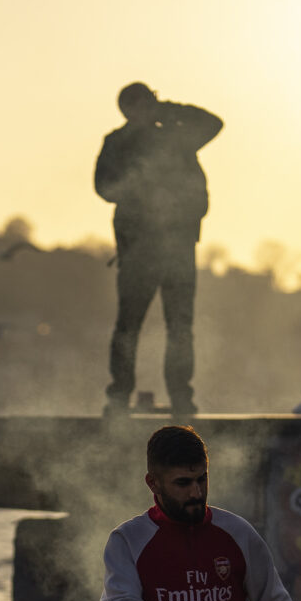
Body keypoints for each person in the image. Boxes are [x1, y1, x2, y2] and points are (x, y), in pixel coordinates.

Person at [101, 425, 301, 601]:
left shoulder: (239, 534)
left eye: (202, 479)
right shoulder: (127, 541)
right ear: (153, 483)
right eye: (182, 483)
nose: (196, 493)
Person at [95, 84, 223, 419]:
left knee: (179, 327)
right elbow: (103, 188)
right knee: (129, 327)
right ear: (125, 110)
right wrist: (134, 183)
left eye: (148, 104)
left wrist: (167, 110)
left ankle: (181, 397)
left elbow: (213, 123)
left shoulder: (174, 137)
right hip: (138, 249)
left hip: (178, 247)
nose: (144, 111)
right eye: (138, 106)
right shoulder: (118, 143)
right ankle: (120, 396)